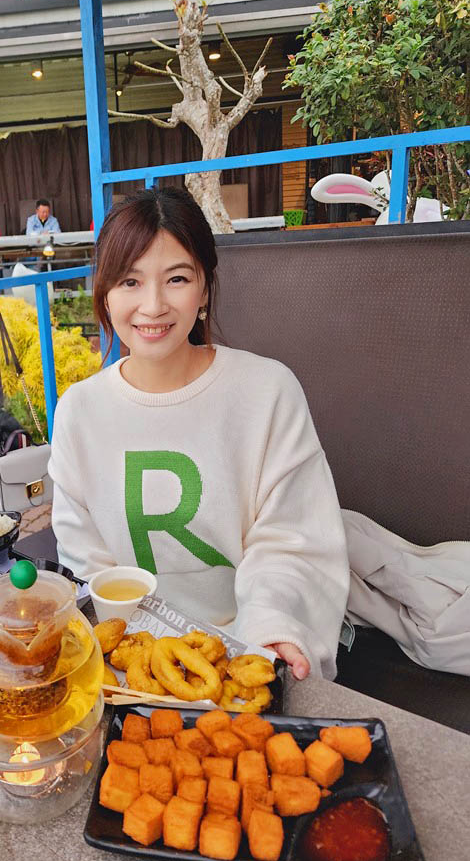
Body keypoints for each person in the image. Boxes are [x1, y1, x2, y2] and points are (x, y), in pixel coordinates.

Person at [48, 187, 350, 680]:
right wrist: (151, 664)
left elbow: (291, 540)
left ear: (205, 288)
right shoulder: (79, 411)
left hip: (248, 645)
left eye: (177, 279)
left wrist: (273, 628)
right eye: (129, 280)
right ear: (104, 291)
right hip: (135, 660)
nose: (152, 305)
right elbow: (89, 565)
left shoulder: (266, 390)